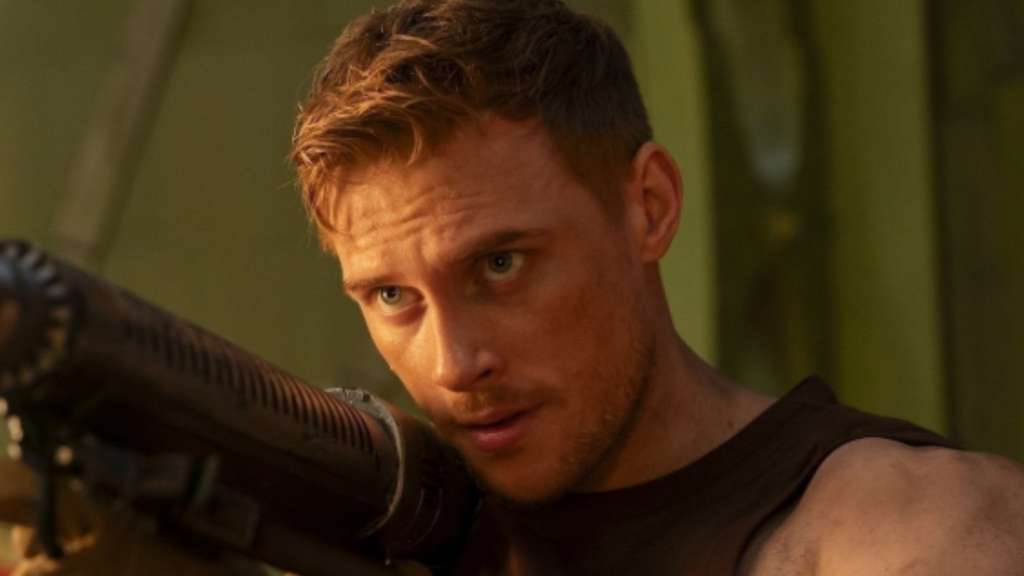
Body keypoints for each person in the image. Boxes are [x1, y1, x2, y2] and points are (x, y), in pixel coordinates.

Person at [2, 0, 1023, 574]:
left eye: (499, 264)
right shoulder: (388, 521)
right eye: (392, 297)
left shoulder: (904, 531)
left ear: (649, 207)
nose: (455, 364)